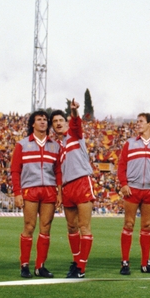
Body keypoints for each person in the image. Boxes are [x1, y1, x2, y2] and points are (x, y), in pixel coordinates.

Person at [10, 110, 61, 279]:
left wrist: (59, 192)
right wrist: (17, 193)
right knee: (29, 226)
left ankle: (40, 266)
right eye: (39, 119)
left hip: (49, 190)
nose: (43, 122)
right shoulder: (22, 144)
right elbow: (15, 170)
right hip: (30, 189)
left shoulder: (55, 146)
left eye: (45, 119)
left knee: (46, 227)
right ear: (33, 123)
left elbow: (58, 171)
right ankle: (24, 265)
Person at [51, 99, 95, 278]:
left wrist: (75, 112)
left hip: (82, 182)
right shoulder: (56, 146)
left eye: (61, 120)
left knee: (84, 226)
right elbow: (58, 171)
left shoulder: (74, 134)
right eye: (55, 121)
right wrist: (59, 192)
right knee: (71, 227)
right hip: (67, 187)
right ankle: (76, 262)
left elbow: (76, 123)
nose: (58, 123)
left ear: (66, 122)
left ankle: (81, 268)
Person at [117, 113, 150, 275]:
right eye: (137, 121)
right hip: (132, 189)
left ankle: (145, 264)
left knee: (147, 226)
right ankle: (125, 263)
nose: (137, 124)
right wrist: (124, 184)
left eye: (141, 121)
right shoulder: (130, 143)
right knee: (128, 224)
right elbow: (121, 166)